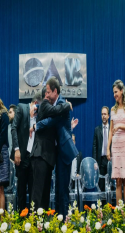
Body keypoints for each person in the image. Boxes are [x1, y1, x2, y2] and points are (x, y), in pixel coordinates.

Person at [35, 77, 78, 218]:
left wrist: (36, 126)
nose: (46, 95)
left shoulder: (61, 103)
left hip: (65, 152)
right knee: (59, 189)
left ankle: (65, 221)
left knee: (63, 190)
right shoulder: (58, 104)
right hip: (60, 152)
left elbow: (51, 121)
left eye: (48, 92)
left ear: (55, 91)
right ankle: (60, 222)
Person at [30, 86, 72, 210]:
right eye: (47, 93)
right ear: (46, 96)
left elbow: (55, 122)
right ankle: (33, 225)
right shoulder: (45, 105)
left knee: (45, 194)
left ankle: (41, 225)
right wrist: (67, 104)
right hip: (40, 154)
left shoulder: (44, 107)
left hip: (47, 157)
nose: (48, 95)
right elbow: (56, 113)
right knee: (38, 194)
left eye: (49, 92)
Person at [11, 93, 42, 211]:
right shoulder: (21, 108)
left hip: (34, 158)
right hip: (21, 156)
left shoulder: (39, 116)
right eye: (38, 108)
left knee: (34, 192)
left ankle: (33, 223)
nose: (38, 111)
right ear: (34, 104)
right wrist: (16, 149)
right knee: (21, 191)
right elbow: (13, 128)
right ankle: (21, 221)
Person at [107, 80, 125, 205]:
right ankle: (119, 213)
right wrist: (108, 148)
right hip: (116, 147)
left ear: (122, 91)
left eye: (116, 92)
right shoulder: (112, 109)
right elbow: (110, 131)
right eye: (113, 93)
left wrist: (121, 126)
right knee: (117, 180)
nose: (114, 95)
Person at [92, 106, 110, 191]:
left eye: (105, 114)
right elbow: (94, 147)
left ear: (108, 116)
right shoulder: (97, 129)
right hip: (101, 161)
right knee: (101, 186)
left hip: (110, 160)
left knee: (111, 186)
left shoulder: (112, 129)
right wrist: (95, 162)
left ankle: (111, 204)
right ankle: (102, 204)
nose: (103, 116)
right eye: (102, 114)